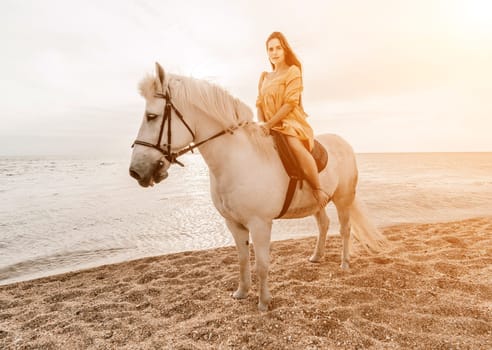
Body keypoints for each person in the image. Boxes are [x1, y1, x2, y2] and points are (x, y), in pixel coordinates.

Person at [256, 31, 330, 208]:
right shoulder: (264, 76)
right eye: (270, 49)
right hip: (267, 124)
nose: (274, 52)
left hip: (289, 121)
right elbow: (259, 103)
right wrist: (262, 124)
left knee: (294, 144)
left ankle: (318, 189)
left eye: (278, 48)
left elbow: (290, 103)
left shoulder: (293, 71)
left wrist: (270, 123)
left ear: (285, 50)